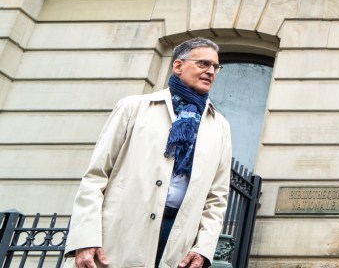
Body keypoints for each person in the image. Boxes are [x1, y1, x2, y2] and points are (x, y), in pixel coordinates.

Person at [65, 37, 233, 268]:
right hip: (119, 231)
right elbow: (96, 176)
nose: (211, 71)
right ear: (178, 66)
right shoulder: (133, 107)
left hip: (177, 237)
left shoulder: (220, 126)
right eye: (203, 64)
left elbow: (217, 197)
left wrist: (203, 249)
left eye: (215, 66)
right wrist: (85, 238)